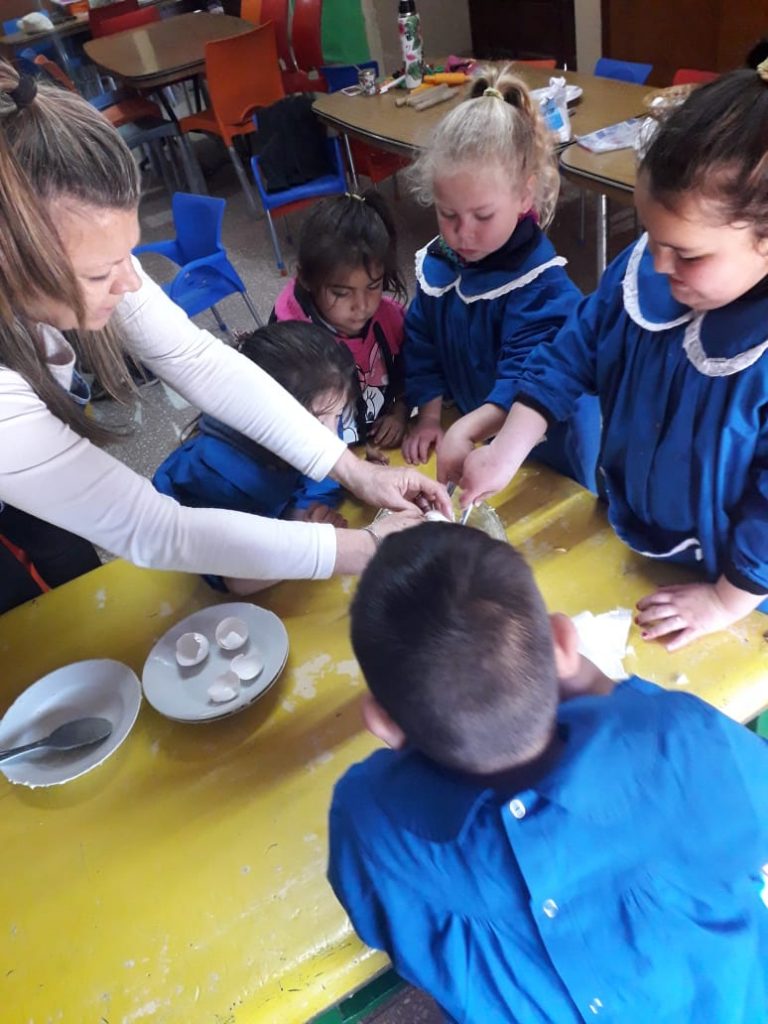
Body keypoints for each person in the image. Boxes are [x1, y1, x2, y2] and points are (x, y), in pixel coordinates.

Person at [0, 62, 448, 613]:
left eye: (130, 252)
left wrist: (352, 471)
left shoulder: (84, 256)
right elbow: (154, 529)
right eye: (98, 274)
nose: (129, 283)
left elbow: (195, 357)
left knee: (67, 579)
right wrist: (367, 545)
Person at [328, 524, 768, 1024]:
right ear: (563, 641)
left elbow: (378, 921)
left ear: (381, 722)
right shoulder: (677, 743)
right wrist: (611, 693)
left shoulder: (370, 823)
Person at [458, 67, 768, 651]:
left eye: (686, 252)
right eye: (649, 234)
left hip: (732, 582)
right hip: (628, 529)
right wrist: (505, 452)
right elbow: (567, 356)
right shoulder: (643, 275)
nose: (656, 264)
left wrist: (725, 601)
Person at [401, 64, 600, 490]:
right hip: (477, 425)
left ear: (525, 195)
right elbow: (421, 340)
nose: (462, 233)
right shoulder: (440, 262)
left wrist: (466, 430)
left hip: (545, 445)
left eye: (483, 216)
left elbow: (527, 382)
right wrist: (432, 416)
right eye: (447, 214)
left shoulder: (542, 288)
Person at [153, 322, 357, 591]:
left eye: (338, 416)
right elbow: (239, 580)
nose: (332, 436)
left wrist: (302, 513)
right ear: (263, 419)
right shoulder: (213, 477)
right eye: (320, 423)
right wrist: (315, 544)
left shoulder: (314, 415)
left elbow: (318, 481)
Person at [271, 190, 409, 455]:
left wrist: (399, 411)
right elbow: (288, 432)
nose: (362, 305)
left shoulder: (390, 317)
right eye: (341, 293)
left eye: (374, 286)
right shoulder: (289, 344)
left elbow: (411, 369)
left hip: (376, 449)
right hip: (321, 464)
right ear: (306, 280)